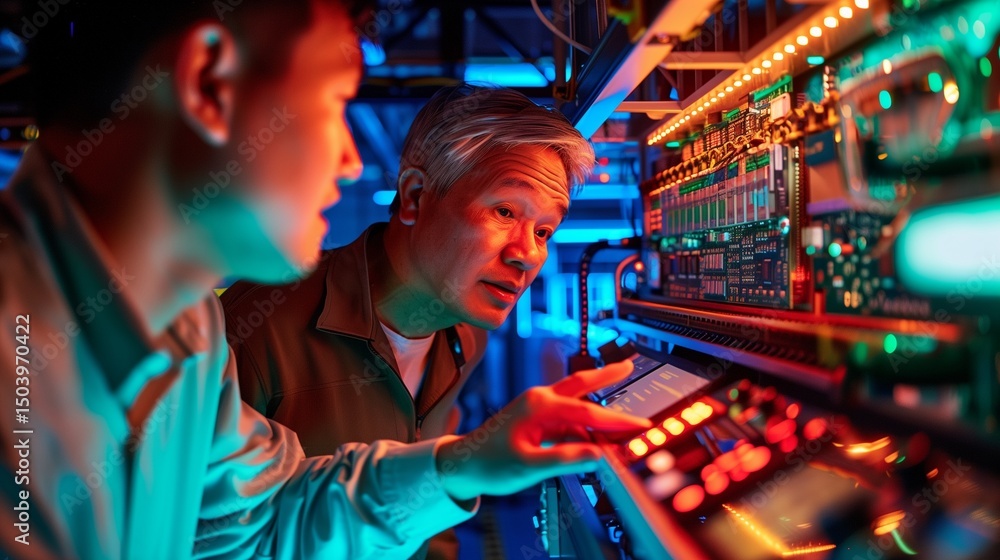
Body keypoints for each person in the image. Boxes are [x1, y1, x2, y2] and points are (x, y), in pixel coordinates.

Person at [0, 2, 649, 559]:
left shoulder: (188, 331)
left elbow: (265, 521)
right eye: (335, 101)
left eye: (545, 231)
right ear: (208, 82)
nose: (347, 159)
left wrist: (463, 464)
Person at [221, 84, 591, 559]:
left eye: (543, 231)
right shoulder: (257, 326)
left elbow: (427, 501)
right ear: (415, 195)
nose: (527, 254)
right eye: (504, 212)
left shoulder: (465, 337)